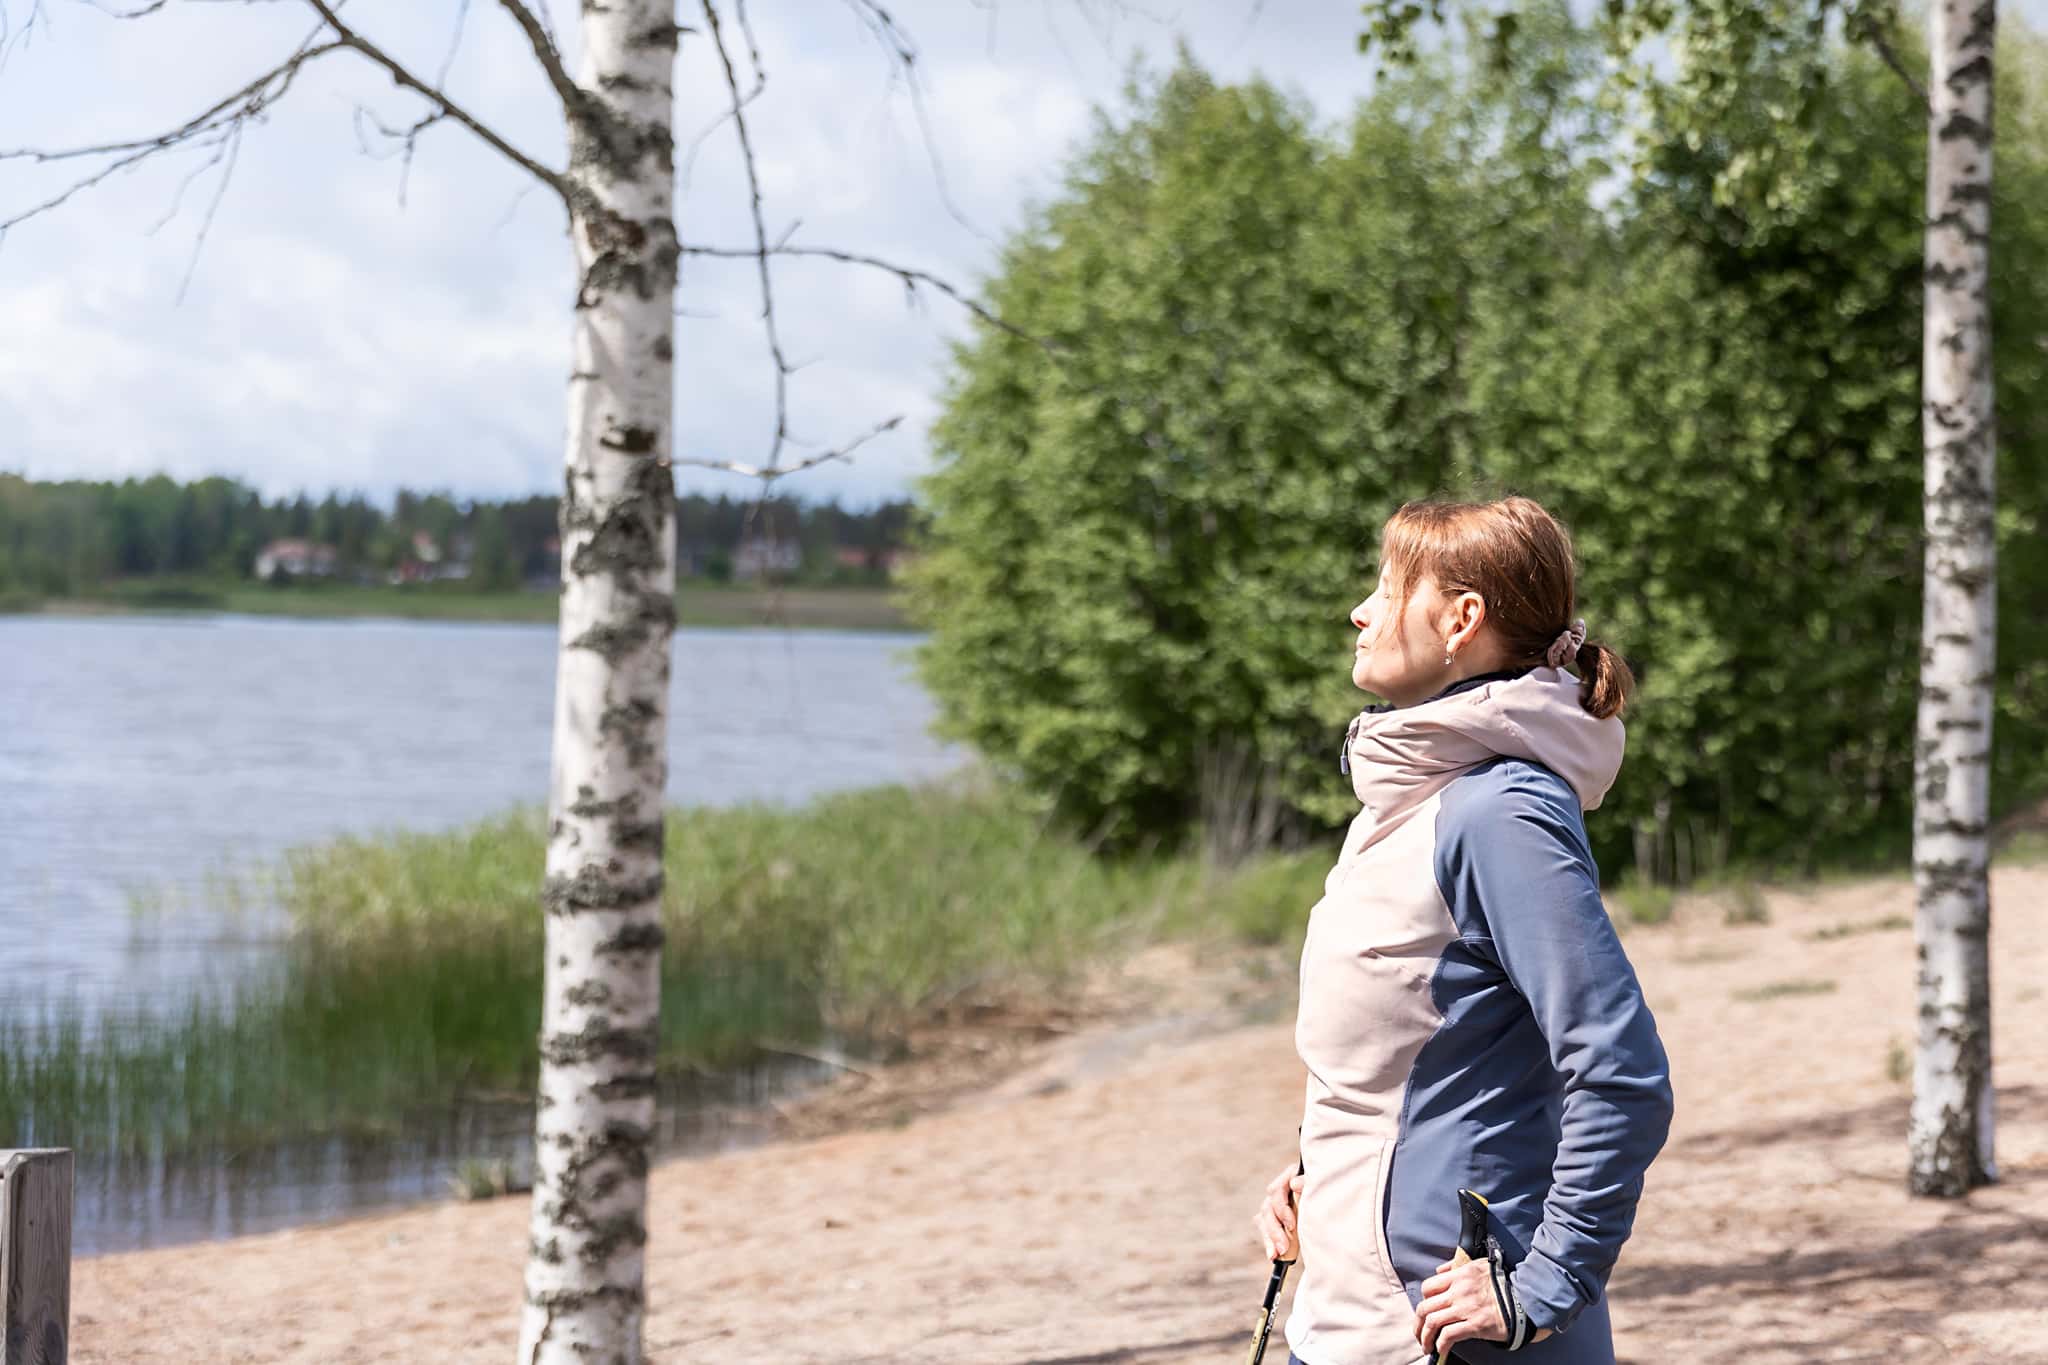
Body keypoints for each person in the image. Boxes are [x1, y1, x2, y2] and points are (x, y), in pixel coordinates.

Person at [1251, 496, 1675, 1365]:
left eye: (1388, 584)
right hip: (1349, 1316)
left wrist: (1548, 1282)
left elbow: (1622, 1071)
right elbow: (1410, 1048)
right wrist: (1317, 1179)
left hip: (1441, 1337)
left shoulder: (1499, 813)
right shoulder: (1409, 799)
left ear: (1461, 620)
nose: (1360, 610)